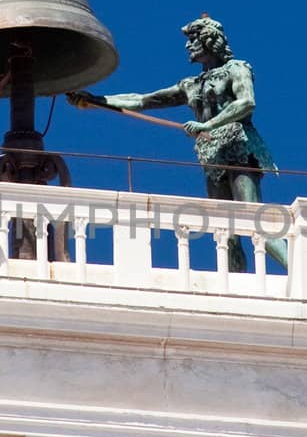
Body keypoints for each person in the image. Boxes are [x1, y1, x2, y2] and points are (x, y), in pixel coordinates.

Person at [69, 15, 285, 272]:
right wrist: (96, 100)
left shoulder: (237, 69)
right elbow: (142, 101)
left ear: (208, 41)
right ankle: (235, 285)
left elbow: (246, 102)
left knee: (254, 219)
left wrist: (207, 125)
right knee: (225, 230)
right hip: (212, 155)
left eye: (193, 40)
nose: (187, 46)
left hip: (238, 149)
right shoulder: (191, 85)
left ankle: (298, 269)